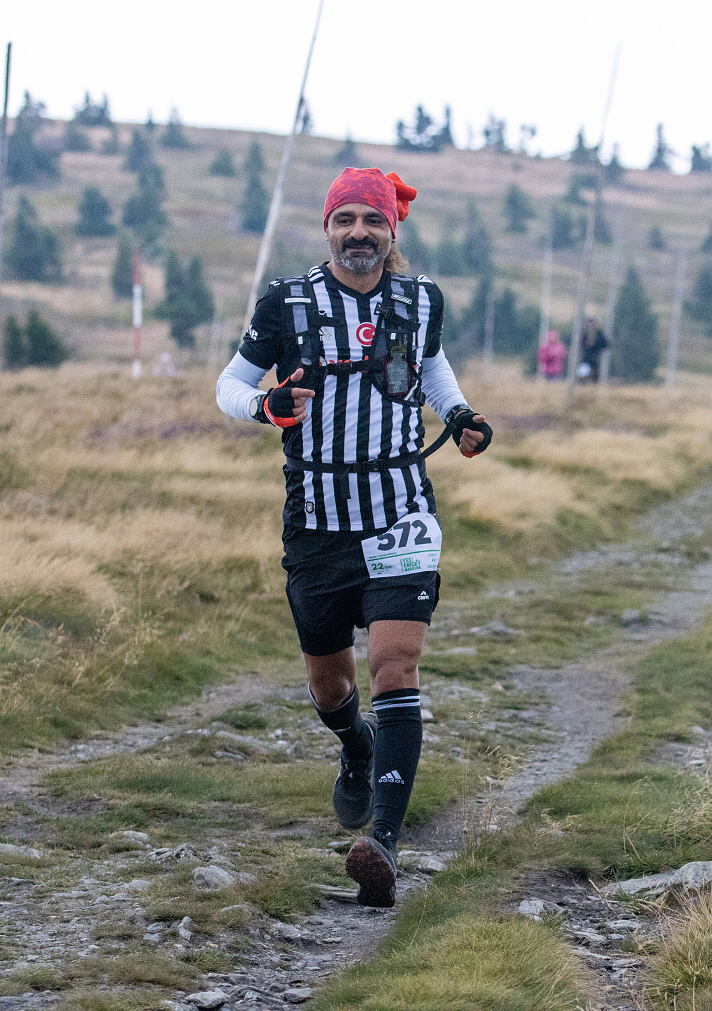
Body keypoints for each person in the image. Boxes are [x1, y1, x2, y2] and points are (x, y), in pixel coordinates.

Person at [214, 167, 492, 908]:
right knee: (330, 686)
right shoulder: (286, 302)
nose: (359, 232)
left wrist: (458, 415)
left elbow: (430, 367)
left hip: (400, 510)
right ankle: (356, 745)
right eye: (346, 220)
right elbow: (228, 385)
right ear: (328, 228)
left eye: (372, 220)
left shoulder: (420, 299)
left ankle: (384, 844)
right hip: (317, 521)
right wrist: (267, 404)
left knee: (394, 667)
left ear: (390, 231)